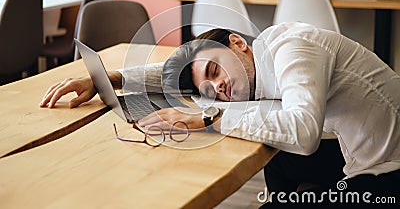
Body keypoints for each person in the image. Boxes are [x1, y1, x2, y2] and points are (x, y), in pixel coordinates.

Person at [40, 22, 400, 207]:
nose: (218, 88)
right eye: (208, 88)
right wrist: (111, 78)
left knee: (285, 151)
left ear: (238, 44)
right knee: (275, 159)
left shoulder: (293, 49)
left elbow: (304, 134)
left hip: (387, 174)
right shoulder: (253, 66)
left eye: (214, 72)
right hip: (353, 151)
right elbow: (178, 71)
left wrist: (210, 119)